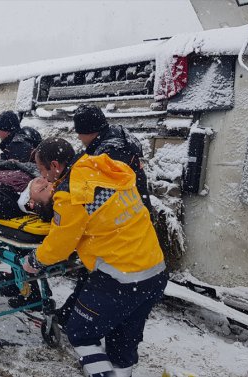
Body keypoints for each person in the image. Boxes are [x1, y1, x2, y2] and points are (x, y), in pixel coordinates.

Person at [23, 137, 167, 377]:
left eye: (41, 170)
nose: (42, 177)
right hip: (154, 272)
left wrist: (33, 262)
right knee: (123, 339)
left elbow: (60, 245)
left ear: (55, 165)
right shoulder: (103, 167)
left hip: (119, 278)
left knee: (81, 333)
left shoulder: (72, 193)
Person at [73, 104, 153, 213]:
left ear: (89, 131)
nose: (78, 137)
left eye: (79, 132)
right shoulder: (112, 137)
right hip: (137, 210)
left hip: (131, 219)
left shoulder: (111, 155)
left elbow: (103, 199)